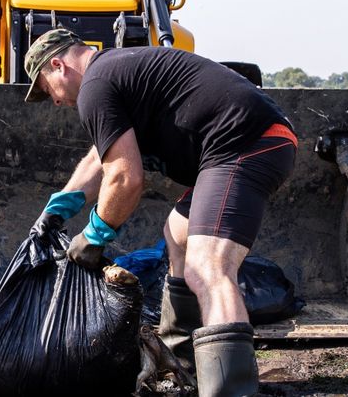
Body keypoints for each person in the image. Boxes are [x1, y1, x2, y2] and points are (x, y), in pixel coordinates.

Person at [25, 28, 296, 397]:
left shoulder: (96, 85)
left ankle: (232, 391)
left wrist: (95, 234)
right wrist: (60, 206)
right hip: (246, 142)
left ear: (58, 66)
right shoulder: (111, 73)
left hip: (247, 143)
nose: (53, 101)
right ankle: (186, 362)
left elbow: (125, 177)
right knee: (177, 236)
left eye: (45, 89)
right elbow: (98, 158)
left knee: (210, 268)